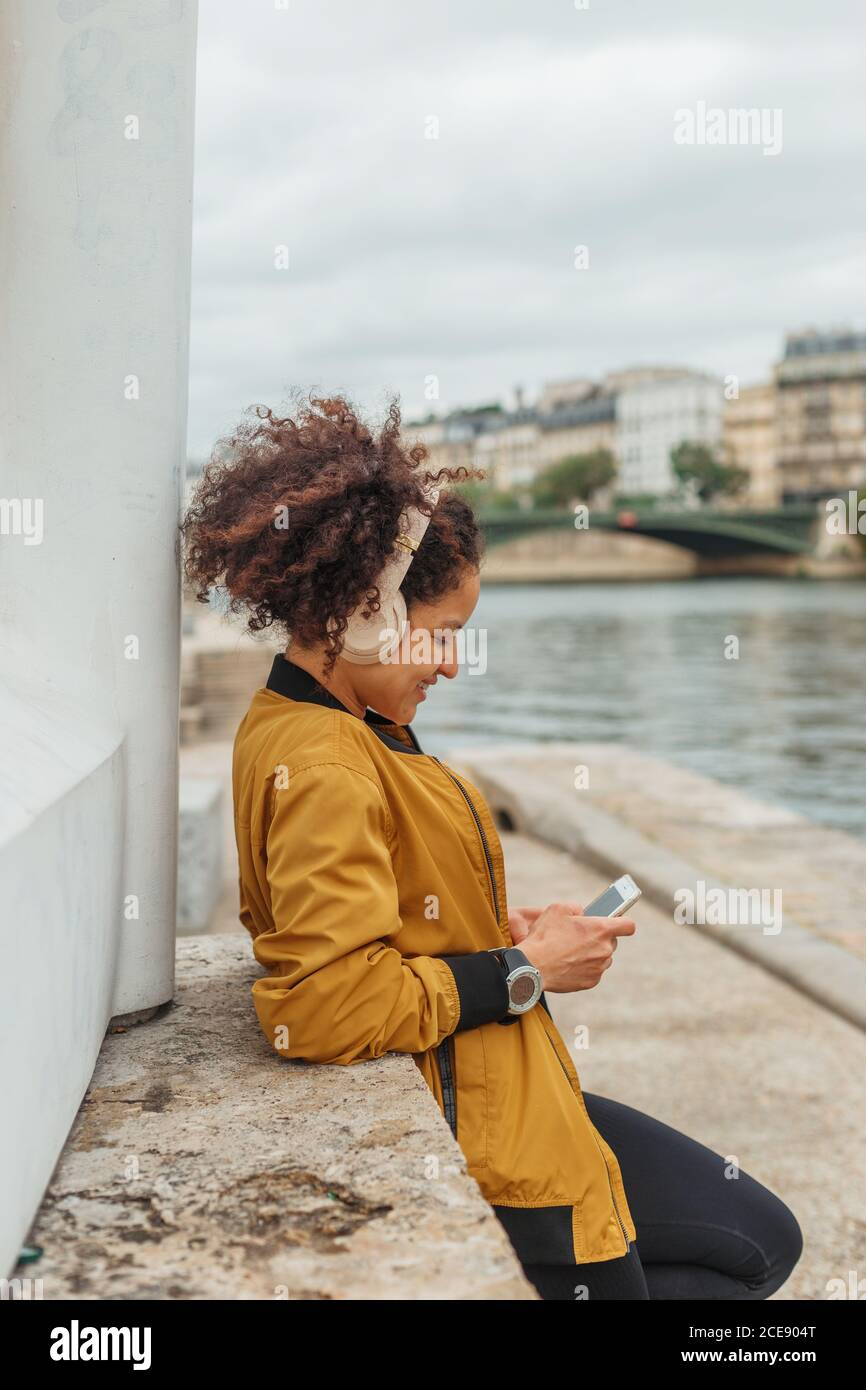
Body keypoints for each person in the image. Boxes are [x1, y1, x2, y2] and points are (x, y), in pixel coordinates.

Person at [181, 393, 803, 1301]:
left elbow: (374, 906)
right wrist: (525, 970)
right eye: (442, 634)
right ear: (362, 611)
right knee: (746, 1260)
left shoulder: (328, 719)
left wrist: (478, 922)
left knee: (759, 1236)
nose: (451, 665)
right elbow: (321, 1005)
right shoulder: (327, 762)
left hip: (507, 1088)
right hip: (485, 1122)